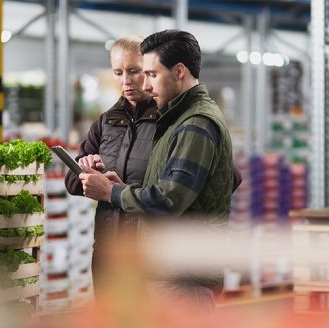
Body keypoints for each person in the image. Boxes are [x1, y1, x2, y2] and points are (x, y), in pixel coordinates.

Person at [78, 30, 236, 308]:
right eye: (119, 72)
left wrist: (113, 193)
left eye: (149, 74)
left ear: (179, 72)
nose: (144, 85)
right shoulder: (172, 120)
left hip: (184, 273)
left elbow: (170, 199)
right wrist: (124, 189)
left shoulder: (196, 123)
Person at [65, 36, 159, 287]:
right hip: (107, 251)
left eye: (134, 71)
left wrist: (119, 190)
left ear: (150, 70)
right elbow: (72, 183)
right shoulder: (106, 122)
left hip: (149, 254)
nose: (125, 81)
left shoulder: (168, 120)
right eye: (118, 72)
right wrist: (86, 170)